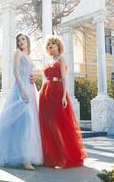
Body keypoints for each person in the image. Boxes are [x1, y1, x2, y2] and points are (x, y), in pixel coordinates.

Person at [0, 33, 43, 170]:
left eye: (23, 39)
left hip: (30, 88)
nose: (21, 42)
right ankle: (25, 159)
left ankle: (27, 156)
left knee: (30, 122)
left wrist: (32, 78)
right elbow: (15, 72)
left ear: (27, 40)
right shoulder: (18, 53)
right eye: (19, 40)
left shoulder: (28, 55)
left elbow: (27, 71)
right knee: (25, 120)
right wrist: (22, 90)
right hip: (21, 89)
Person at [39, 35, 87, 168]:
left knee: (59, 124)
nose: (50, 47)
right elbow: (45, 79)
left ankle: (66, 156)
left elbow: (64, 78)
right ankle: (53, 157)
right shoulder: (50, 60)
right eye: (49, 45)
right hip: (46, 92)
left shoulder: (61, 58)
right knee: (47, 123)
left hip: (57, 91)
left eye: (53, 44)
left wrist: (64, 96)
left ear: (58, 46)